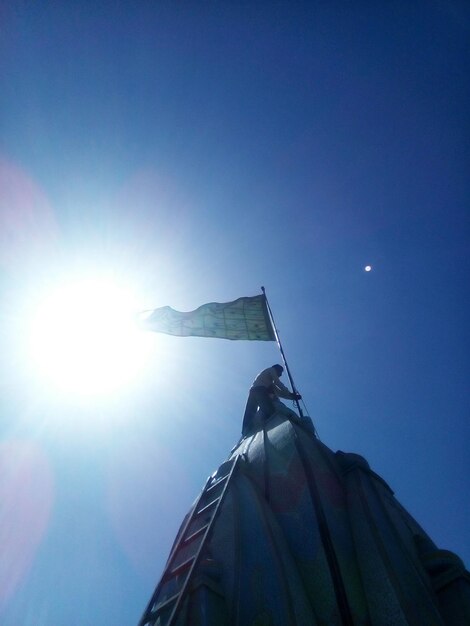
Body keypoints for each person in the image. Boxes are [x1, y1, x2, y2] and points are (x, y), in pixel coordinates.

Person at [241, 364, 301, 436]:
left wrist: (292, 397)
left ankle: (246, 430)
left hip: (253, 391)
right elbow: (277, 382)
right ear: (276, 369)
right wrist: (290, 393)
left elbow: (280, 393)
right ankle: (275, 430)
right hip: (260, 390)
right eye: (280, 372)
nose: (280, 374)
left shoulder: (269, 383)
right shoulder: (271, 370)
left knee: (250, 412)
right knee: (270, 411)